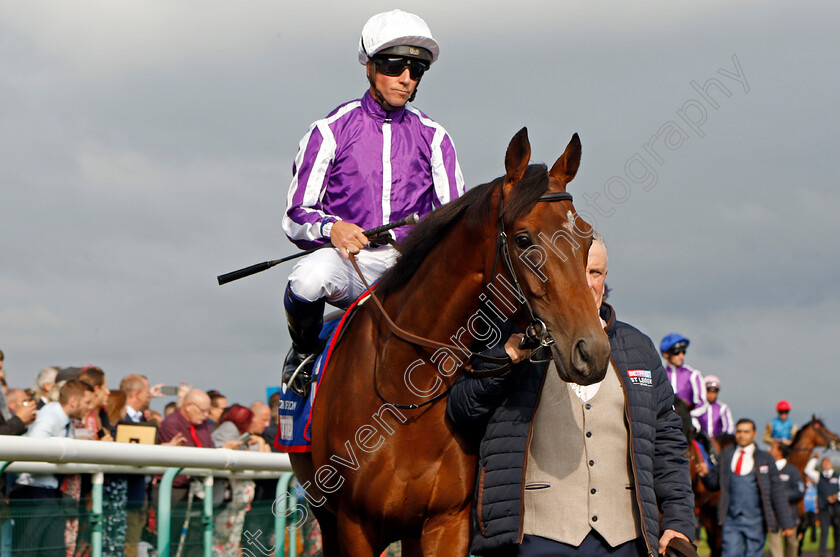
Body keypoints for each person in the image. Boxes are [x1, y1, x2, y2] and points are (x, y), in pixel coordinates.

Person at [447, 234, 694, 556]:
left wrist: (678, 521)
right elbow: (462, 410)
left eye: (595, 272)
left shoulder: (639, 347)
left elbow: (667, 442)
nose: (586, 282)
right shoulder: (511, 338)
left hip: (625, 540)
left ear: (606, 277)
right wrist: (505, 359)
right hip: (533, 539)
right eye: (576, 270)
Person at [281, 9, 465, 380]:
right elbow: (296, 214)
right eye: (395, 66)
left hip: (408, 268)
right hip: (350, 264)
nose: (406, 79)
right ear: (369, 66)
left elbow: (454, 222)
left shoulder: (435, 137)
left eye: (416, 71)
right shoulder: (329, 131)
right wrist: (333, 229)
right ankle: (302, 354)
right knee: (306, 281)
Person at [9, 380, 94, 556]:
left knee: (54, 552)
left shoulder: (62, 418)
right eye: (87, 403)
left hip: (47, 494)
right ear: (73, 401)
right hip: (33, 494)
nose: (90, 407)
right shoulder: (50, 417)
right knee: (28, 552)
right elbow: (34, 449)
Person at [698, 418, 795, 557]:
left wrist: (786, 524)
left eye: (746, 431)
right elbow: (714, 484)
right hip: (731, 520)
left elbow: (777, 491)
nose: (742, 435)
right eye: (739, 431)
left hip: (756, 521)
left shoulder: (765, 458)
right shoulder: (727, 454)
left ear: (754, 434)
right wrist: (706, 474)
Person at [766, 442, 803, 557]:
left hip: (789, 514)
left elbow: (799, 490)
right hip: (772, 515)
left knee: (791, 546)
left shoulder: (792, 470)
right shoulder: (766, 469)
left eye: (772, 448)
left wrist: (780, 496)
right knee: (775, 546)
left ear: (780, 452)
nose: (769, 450)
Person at [660, 333, 706, 411]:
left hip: (688, 420)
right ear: (666, 354)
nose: (681, 356)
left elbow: (702, 404)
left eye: (683, 351)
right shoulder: (659, 375)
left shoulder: (694, 375)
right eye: (677, 352)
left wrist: (686, 415)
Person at [805, 454, 839, 557]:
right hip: (824, 508)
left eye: (827, 462)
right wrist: (814, 458)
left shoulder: (837, 476)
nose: (826, 464)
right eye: (823, 463)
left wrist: (836, 496)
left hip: (836, 508)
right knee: (824, 532)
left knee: (838, 532)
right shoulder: (819, 476)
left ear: (831, 464)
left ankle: (837, 553)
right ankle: (822, 554)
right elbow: (808, 470)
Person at [692, 375, 734, 439]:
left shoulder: (722, 408)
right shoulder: (697, 407)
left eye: (714, 392)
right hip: (700, 440)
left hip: (718, 442)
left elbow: (729, 428)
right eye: (709, 391)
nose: (711, 395)